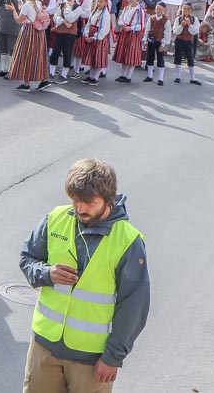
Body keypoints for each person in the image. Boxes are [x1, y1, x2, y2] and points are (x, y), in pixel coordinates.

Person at [19, 159, 149, 392]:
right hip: (43, 347)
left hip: (90, 359)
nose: (80, 209)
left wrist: (112, 358)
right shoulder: (56, 218)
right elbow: (27, 259)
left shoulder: (128, 241)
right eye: (76, 201)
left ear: (108, 199)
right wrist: (47, 273)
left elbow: (134, 306)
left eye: (89, 203)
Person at [7, 0, 53, 92]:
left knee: (27, 56)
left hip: (29, 32)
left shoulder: (27, 5)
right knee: (39, 56)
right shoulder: (38, 3)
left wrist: (14, 10)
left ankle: (26, 84)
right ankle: (44, 80)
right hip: (39, 32)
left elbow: (19, 20)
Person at [111, 0, 147, 83]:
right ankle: (123, 75)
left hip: (133, 34)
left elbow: (142, 25)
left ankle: (128, 76)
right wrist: (122, 24)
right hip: (124, 33)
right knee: (123, 54)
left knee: (131, 55)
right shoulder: (127, 8)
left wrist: (130, 28)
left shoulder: (140, 10)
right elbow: (120, 19)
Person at [79, 0, 113, 86]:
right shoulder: (94, 11)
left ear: (105, 3)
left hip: (99, 38)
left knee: (98, 57)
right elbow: (89, 23)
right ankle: (91, 76)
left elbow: (104, 29)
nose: (98, 3)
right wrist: (86, 33)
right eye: (98, 1)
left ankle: (96, 78)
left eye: (101, 2)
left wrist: (94, 37)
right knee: (92, 57)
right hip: (91, 34)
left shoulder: (105, 15)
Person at [48, 0, 82, 83]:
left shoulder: (77, 7)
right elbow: (55, 17)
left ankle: (63, 75)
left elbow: (71, 18)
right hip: (60, 31)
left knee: (67, 53)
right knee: (55, 52)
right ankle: (52, 73)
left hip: (70, 34)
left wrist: (68, 8)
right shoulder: (63, 4)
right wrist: (63, 21)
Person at [172, 3, 201, 85]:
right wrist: (181, 25)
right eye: (184, 8)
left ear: (190, 10)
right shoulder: (178, 19)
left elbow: (195, 31)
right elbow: (175, 31)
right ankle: (178, 76)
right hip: (179, 40)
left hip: (188, 41)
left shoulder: (194, 19)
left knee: (190, 58)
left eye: (187, 9)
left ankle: (192, 78)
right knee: (178, 58)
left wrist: (189, 25)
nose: (185, 10)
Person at [141, 3, 169, 85]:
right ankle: (149, 76)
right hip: (151, 40)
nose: (158, 11)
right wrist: (145, 41)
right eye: (157, 9)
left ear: (164, 10)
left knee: (160, 59)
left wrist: (163, 44)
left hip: (160, 42)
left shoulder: (166, 21)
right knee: (150, 57)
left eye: (160, 9)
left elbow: (167, 34)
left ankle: (160, 78)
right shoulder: (151, 18)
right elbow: (147, 30)